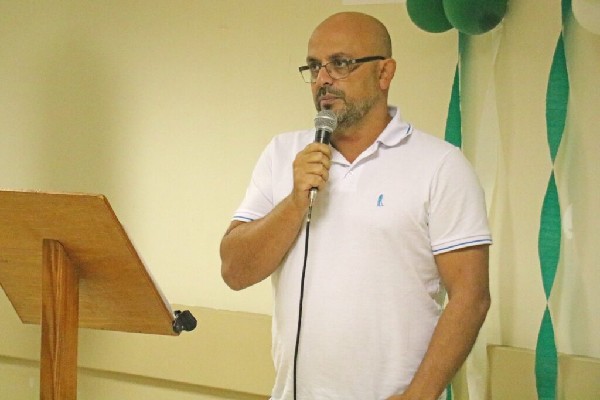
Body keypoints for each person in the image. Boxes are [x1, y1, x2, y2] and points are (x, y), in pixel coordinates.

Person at [220, 11, 491, 400]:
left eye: (341, 63)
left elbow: (471, 297)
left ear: (384, 73)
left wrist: (418, 396)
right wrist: (295, 202)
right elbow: (235, 271)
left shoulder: (440, 165)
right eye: (314, 66)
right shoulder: (282, 154)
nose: (323, 79)